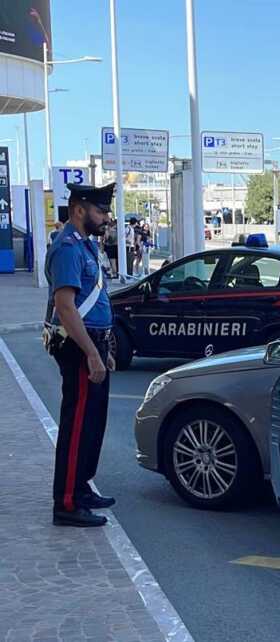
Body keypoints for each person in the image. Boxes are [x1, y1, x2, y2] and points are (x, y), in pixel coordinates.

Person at [43, 183, 117, 527]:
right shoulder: (68, 248)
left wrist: (105, 349)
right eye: (100, 211)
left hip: (94, 343)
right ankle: (67, 503)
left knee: (93, 423)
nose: (106, 218)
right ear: (79, 210)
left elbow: (96, 300)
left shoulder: (86, 245)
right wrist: (91, 353)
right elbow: (66, 306)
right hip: (78, 347)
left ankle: (81, 487)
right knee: (77, 426)